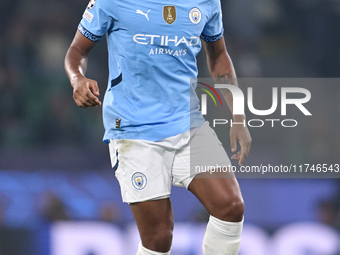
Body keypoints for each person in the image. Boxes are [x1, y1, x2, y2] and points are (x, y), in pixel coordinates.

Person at [65, 0, 252, 254]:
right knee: (159, 238)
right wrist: (77, 79)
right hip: (134, 129)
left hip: (188, 122)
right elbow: (77, 50)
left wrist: (238, 115)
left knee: (231, 207)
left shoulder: (207, 2)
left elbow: (218, 55)